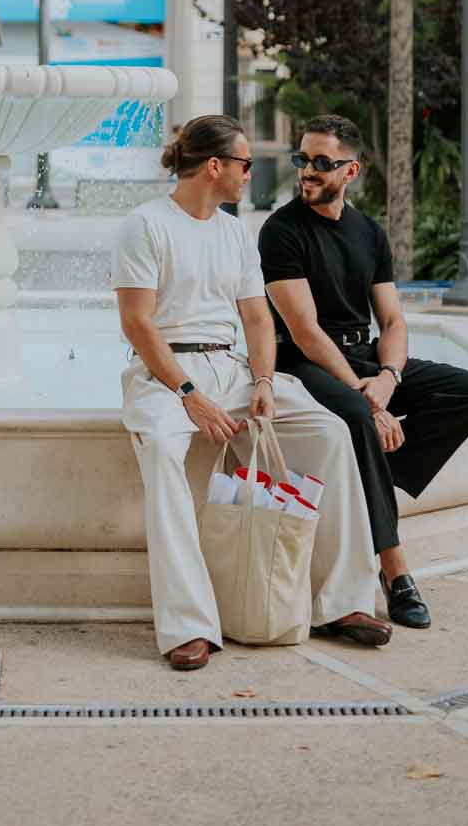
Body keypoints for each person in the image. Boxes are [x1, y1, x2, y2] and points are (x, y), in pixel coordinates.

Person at [113, 114, 392, 672]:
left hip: (233, 371)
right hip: (165, 374)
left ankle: (344, 603)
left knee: (331, 432)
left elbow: (258, 320)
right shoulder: (145, 225)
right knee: (166, 451)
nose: (250, 174)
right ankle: (188, 627)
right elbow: (138, 324)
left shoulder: (234, 231)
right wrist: (189, 394)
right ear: (215, 167)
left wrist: (263, 381)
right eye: (243, 164)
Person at [259, 113, 468, 631]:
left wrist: (387, 377)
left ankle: (371, 474)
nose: (308, 171)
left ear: (351, 171)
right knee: (359, 421)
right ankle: (396, 574)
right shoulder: (280, 231)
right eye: (303, 160)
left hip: (365, 356)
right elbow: (304, 330)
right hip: (303, 361)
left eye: (323, 162)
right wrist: (367, 399)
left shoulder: (369, 232)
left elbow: (391, 319)